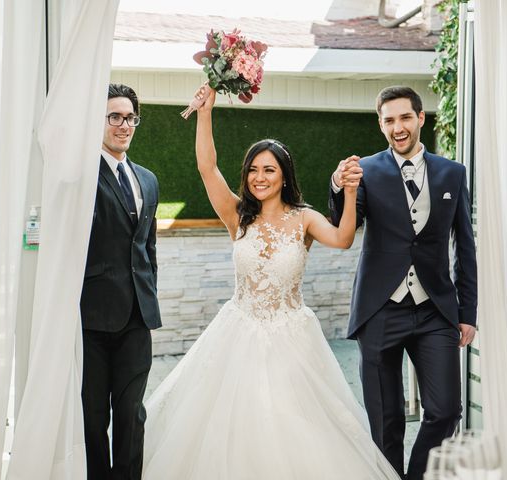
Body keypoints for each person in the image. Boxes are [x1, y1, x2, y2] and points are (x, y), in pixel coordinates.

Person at [141, 86, 400, 480]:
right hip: (236, 332)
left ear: (284, 176)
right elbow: (207, 169)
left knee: (293, 424)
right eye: (252, 169)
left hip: (292, 338)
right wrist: (206, 113)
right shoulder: (236, 215)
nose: (258, 177)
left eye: (269, 170)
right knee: (231, 425)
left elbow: (344, 239)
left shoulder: (305, 219)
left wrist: (350, 192)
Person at [328, 85, 477, 480]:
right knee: (385, 421)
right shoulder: (367, 170)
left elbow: (465, 246)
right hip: (380, 309)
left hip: (435, 310)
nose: (398, 127)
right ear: (381, 124)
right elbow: (345, 224)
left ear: (420, 118)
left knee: (446, 409)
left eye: (405, 117)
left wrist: (468, 312)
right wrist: (338, 186)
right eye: (389, 120)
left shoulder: (452, 172)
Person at [80, 83, 161, 480]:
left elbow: (148, 248)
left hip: (137, 318)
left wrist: (150, 298)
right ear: (99, 121)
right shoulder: (81, 177)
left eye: (130, 117)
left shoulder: (148, 180)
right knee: (93, 420)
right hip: (91, 319)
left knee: (132, 415)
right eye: (114, 116)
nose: (123, 125)